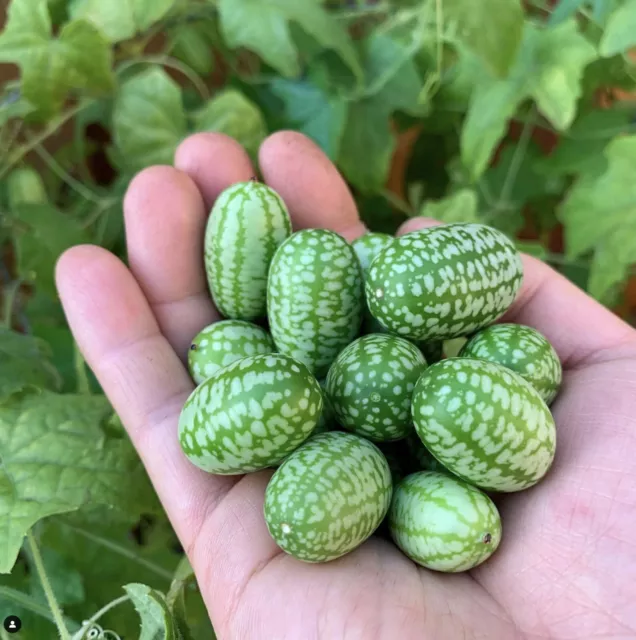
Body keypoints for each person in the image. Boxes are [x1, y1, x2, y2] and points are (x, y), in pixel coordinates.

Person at [56, 132, 636, 639]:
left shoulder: (417, 379)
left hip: (397, 429)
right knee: (396, 359)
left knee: (411, 362)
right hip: (368, 421)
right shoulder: (342, 375)